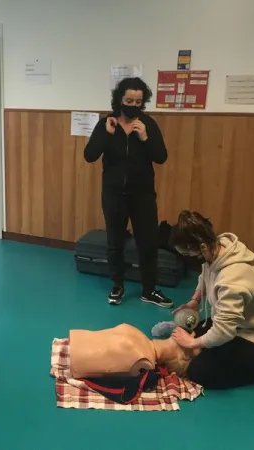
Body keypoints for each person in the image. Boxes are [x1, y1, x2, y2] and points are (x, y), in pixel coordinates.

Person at [169, 210, 254, 389]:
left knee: (199, 371)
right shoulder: (216, 249)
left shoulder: (232, 281)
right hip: (240, 325)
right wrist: (195, 301)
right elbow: (205, 277)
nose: (186, 259)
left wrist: (193, 343)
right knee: (190, 331)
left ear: (202, 247)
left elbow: (223, 331)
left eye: (187, 255)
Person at [83, 77, 172, 308]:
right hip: (113, 195)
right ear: (119, 99)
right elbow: (89, 155)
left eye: (138, 101)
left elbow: (161, 157)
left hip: (143, 195)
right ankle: (117, 285)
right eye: (129, 100)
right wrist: (106, 135)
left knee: (148, 244)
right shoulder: (107, 123)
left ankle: (149, 290)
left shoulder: (148, 124)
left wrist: (145, 137)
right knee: (115, 243)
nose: (133, 105)